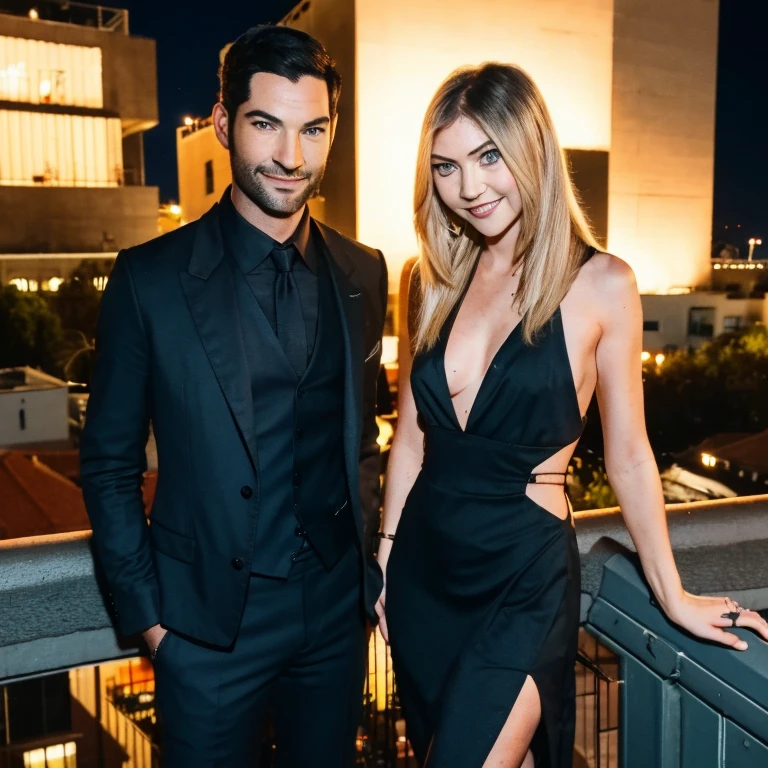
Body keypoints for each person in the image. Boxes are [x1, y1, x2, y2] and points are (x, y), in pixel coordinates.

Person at [375, 63, 768, 768]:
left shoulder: (602, 284)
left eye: (488, 156)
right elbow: (410, 440)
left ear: (532, 149)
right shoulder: (429, 278)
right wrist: (384, 554)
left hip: (524, 578)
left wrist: (670, 592)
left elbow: (629, 455)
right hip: (422, 578)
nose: (469, 187)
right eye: (446, 166)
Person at [80, 25, 387, 767]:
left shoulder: (363, 271)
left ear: (332, 131)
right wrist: (152, 625)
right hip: (206, 629)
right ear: (223, 124)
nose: (291, 156)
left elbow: (361, 437)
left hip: (334, 621)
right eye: (266, 125)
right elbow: (108, 463)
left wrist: (371, 570)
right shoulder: (149, 279)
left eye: (313, 129)